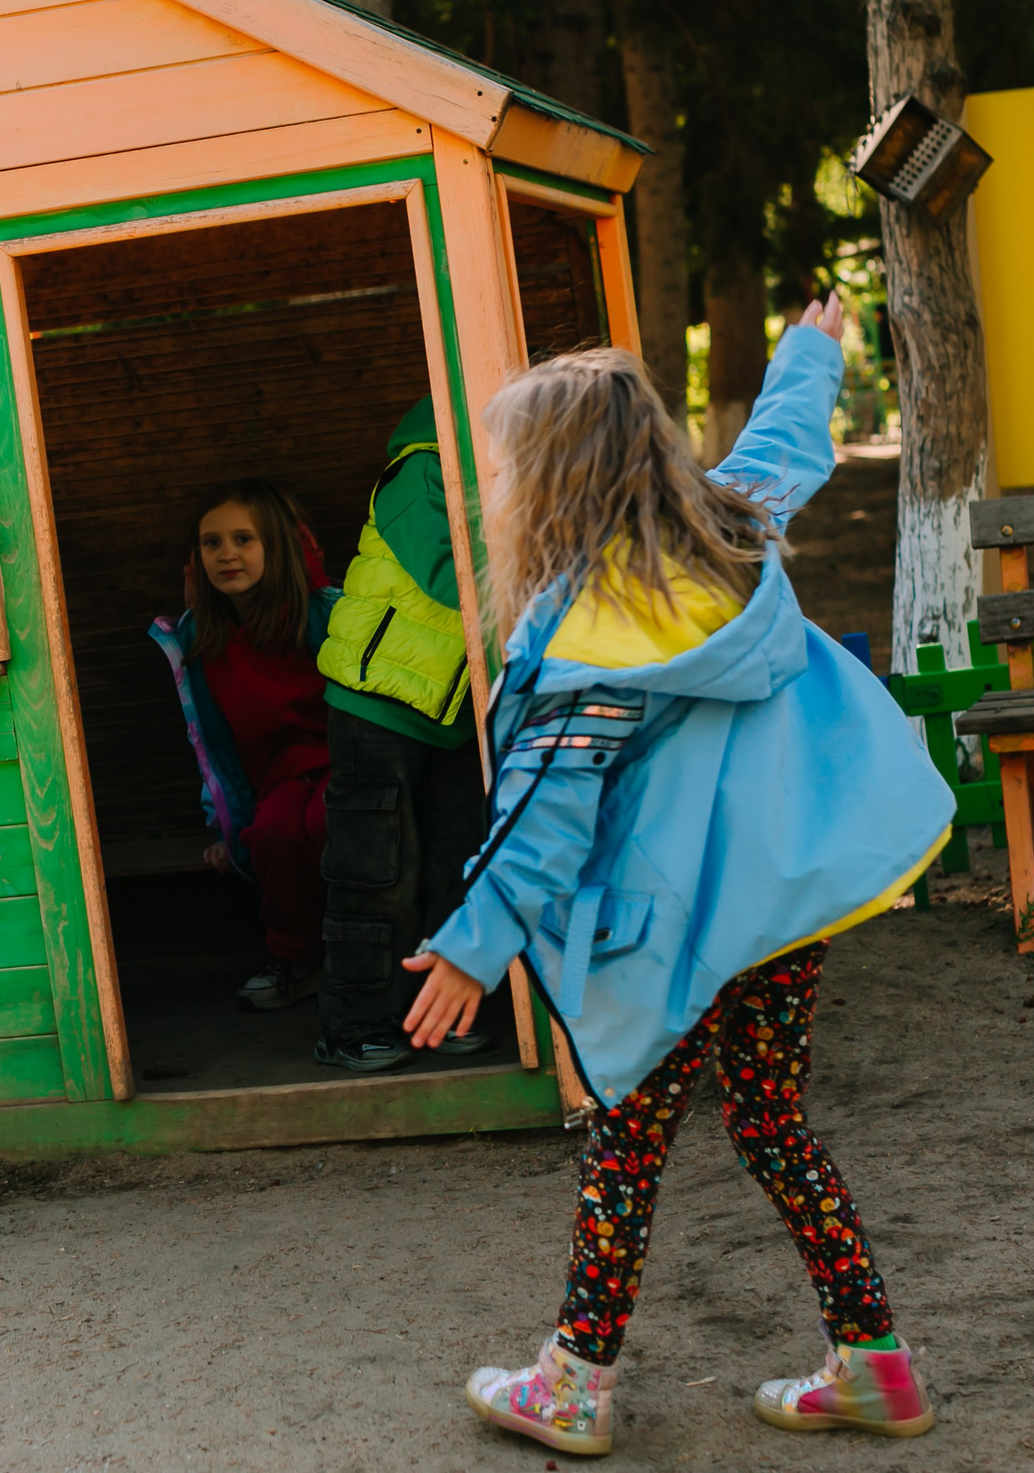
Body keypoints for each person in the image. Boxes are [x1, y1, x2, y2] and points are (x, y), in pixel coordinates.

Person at [400, 298, 955, 1456]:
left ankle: (572, 1384)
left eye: (506, 471)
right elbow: (780, 451)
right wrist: (809, 354)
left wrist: (468, 945)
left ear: (552, 488)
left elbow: (541, 827)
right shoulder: (729, 534)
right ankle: (874, 1364)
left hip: (681, 932)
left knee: (627, 1141)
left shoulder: (582, 640)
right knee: (770, 1124)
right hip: (780, 910)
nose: (496, 492)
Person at [311, 397, 489, 1072]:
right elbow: (451, 577)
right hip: (378, 704)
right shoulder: (419, 470)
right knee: (377, 870)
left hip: (455, 713)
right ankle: (354, 1023)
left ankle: (433, 1016)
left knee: (456, 863)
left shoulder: (503, 479)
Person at [148, 480, 340, 1012]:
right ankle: (296, 960)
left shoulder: (325, 613)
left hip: (347, 766)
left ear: (278, 545)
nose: (226, 554)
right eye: (211, 543)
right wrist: (225, 830)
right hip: (277, 777)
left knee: (331, 825)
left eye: (243, 539)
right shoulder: (202, 638)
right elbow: (209, 745)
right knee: (272, 835)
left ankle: (369, 961)